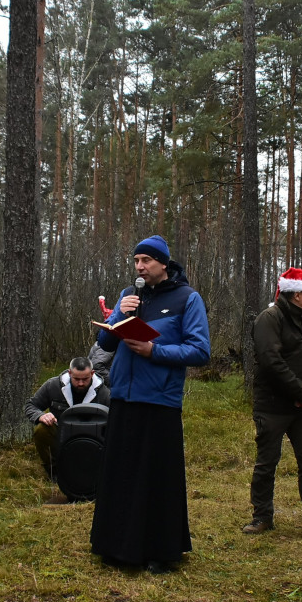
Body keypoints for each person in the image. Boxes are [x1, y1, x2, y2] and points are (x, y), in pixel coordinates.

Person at [90, 235, 210, 573]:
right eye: (136, 261)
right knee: (122, 474)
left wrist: (155, 351)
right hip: (123, 397)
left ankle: (160, 551)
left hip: (160, 400)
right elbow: (105, 343)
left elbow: (200, 350)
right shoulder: (129, 294)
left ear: (163, 263)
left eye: (146, 260)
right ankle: (115, 547)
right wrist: (119, 314)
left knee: (156, 478)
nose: (139, 267)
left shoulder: (187, 298)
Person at [243, 267, 302, 544]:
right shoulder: (269, 319)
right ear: (295, 295)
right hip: (271, 407)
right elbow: (271, 361)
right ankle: (262, 517)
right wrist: (300, 392)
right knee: (267, 463)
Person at [24, 357, 110, 503]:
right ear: (70, 373)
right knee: (41, 430)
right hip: (62, 437)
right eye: (76, 379)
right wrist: (40, 416)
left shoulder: (105, 392)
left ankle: (99, 474)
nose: (81, 383)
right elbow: (31, 405)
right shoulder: (53, 385)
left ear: (92, 373)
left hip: (93, 442)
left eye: (85, 379)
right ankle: (54, 472)